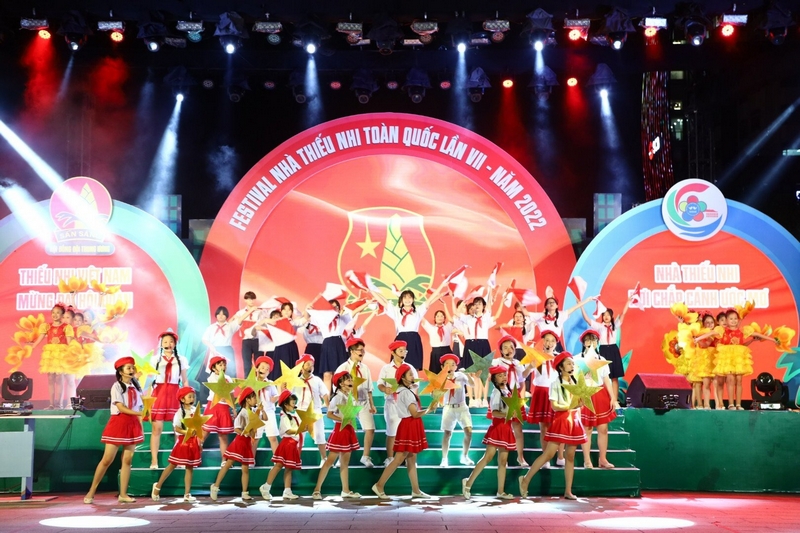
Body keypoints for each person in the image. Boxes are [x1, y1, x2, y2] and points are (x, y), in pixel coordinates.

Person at [519, 352, 587, 500]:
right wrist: (570, 406)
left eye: (572, 363)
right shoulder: (555, 383)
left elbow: (580, 402)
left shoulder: (576, 382)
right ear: (560, 367)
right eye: (568, 363)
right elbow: (554, 406)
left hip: (574, 420)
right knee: (548, 454)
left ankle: (568, 491)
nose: (572, 366)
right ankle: (525, 479)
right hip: (561, 420)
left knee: (570, 456)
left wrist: (580, 403)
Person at [84, 356, 143, 504]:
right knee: (107, 459)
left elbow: (140, 406)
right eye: (128, 368)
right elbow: (121, 407)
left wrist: (140, 422)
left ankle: (123, 494)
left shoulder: (136, 387)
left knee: (127, 459)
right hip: (118, 423)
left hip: (133, 423)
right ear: (121, 372)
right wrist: (138, 413)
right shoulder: (116, 386)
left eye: (133, 367)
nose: (132, 370)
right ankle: (91, 492)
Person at [371, 363, 433, 499]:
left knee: (411, 458)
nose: (413, 377)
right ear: (403, 378)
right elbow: (414, 414)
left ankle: (416, 490)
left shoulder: (404, 391)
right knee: (399, 458)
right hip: (409, 425)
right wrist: (430, 409)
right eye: (410, 375)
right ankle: (379, 485)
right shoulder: (405, 393)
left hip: (410, 425)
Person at [462, 365, 515, 499]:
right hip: (498, 428)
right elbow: (495, 413)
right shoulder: (497, 392)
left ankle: (501, 491)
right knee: (488, 457)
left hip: (507, 428)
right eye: (500, 376)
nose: (503, 377)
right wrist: (508, 414)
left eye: (504, 375)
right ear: (494, 379)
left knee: (503, 461)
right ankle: (468, 483)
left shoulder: (508, 391)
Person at [312, 371, 362, 499]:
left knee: (345, 462)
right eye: (348, 380)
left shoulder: (350, 396)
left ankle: (346, 490)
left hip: (348, 430)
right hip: (340, 430)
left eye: (351, 380)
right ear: (340, 383)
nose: (351, 382)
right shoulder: (337, 398)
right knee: (329, 461)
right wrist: (343, 419)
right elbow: (329, 414)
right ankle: (317, 490)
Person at [372, 286, 445, 370]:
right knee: (398, 366)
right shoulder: (396, 311)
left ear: (413, 299)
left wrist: (442, 286)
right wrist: (370, 290)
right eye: (405, 298)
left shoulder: (418, 311)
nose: (407, 300)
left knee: (414, 367)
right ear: (401, 300)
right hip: (401, 339)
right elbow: (383, 302)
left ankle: (415, 379)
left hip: (414, 340)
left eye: (410, 297)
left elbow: (430, 300)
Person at [152, 386, 203, 502]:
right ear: (182, 399)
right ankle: (157, 486)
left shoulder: (195, 411)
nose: (192, 399)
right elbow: (177, 428)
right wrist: (188, 432)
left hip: (193, 442)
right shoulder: (179, 413)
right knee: (172, 465)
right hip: (182, 442)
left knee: (190, 468)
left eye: (193, 396)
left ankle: (187, 494)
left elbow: (199, 428)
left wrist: (200, 443)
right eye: (189, 396)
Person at [575, 330, 617, 469]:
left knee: (603, 429)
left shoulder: (601, 359)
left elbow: (606, 379)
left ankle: (603, 459)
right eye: (588, 340)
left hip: (600, 394)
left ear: (597, 343)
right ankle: (587, 460)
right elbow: (573, 379)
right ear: (583, 343)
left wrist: (612, 398)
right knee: (587, 428)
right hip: (585, 394)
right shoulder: (577, 359)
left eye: (593, 340)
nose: (591, 343)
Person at [490, 335, 533, 467]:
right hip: (502, 396)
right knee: (504, 427)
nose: (509, 350)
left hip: (515, 396)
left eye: (511, 347)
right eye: (505, 347)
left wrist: (530, 368)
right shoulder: (497, 362)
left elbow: (521, 378)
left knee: (518, 429)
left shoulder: (518, 363)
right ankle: (503, 458)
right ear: (501, 350)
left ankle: (520, 457)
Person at [149, 331, 188, 469]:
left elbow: (184, 379)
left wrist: (187, 395)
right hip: (159, 393)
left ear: (175, 344)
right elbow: (148, 377)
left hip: (175, 392)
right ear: (161, 344)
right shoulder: (155, 359)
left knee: (178, 429)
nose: (168, 344)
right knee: (157, 428)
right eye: (165, 341)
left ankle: (179, 460)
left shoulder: (181, 359)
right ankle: (154, 461)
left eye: (171, 341)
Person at [581, 296, 632, 403]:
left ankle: (615, 401)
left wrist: (628, 301)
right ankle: (606, 400)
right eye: (604, 315)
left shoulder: (615, 326)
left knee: (614, 377)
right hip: (603, 351)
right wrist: (581, 305)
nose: (606, 317)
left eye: (608, 315)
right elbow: (587, 319)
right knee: (605, 376)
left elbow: (623, 313)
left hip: (613, 351)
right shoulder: (599, 327)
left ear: (612, 316)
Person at [210, 387, 258, 502]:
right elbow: (236, 428)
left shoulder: (252, 413)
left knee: (245, 468)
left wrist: (252, 431)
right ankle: (215, 486)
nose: (256, 400)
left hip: (246, 443)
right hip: (239, 442)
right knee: (228, 464)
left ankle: (245, 492)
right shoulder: (242, 413)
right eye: (254, 398)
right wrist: (245, 432)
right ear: (247, 399)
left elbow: (255, 428)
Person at [335, 337, 376, 467]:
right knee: (345, 431)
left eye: (363, 350)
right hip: (348, 403)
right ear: (351, 351)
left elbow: (369, 388)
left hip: (363, 402)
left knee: (370, 429)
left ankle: (365, 457)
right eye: (359, 350)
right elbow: (336, 388)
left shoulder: (365, 368)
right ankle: (341, 458)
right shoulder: (343, 367)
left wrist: (372, 404)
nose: (362, 352)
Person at [377, 340, 419, 466]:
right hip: (392, 404)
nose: (403, 353)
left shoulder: (410, 368)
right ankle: (390, 458)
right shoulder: (386, 368)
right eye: (400, 351)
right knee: (392, 432)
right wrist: (385, 389)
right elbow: (380, 384)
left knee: (408, 433)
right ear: (393, 353)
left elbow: (416, 384)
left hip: (406, 405)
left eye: (405, 351)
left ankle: (409, 459)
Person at [526, 330, 565, 467]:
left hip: (556, 392)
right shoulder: (535, 356)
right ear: (543, 341)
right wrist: (530, 366)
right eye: (547, 340)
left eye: (552, 341)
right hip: (541, 393)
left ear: (556, 343)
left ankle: (560, 456)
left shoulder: (560, 358)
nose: (549, 343)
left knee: (559, 426)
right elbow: (523, 375)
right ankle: (545, 458)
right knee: (544, 427)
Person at [260, 391, 302, 500]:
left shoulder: (292, 415)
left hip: (292, 444)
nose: (294, 405)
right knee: (278, 465)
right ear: (286, 405)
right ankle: (266, 487)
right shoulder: (284, 417)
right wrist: (301, 429)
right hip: (287, 444)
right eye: (293, 403)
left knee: (289, 468)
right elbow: (288, 430)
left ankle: (287, 491)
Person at [32, 303, 73, 410]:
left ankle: (58, 404)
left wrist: (73, 352)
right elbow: (40, 338)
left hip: (61, 354)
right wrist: (32, 346)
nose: (55, 315)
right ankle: (51, 404)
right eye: (53, 312)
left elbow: (69, 342)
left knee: (59, 378)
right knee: (50, 379)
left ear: (62, 315)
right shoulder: (47, 326)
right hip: (50, 354)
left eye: (58, 313)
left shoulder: (66, 327)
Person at [291, 353, 329, 465]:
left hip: (315, 411)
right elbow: (289, 396)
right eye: (307, 364)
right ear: (301, 367)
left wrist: (328, 405)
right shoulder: (295, 381)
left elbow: (325, 393)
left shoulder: (317, 380)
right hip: (300, 412)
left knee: (320, 435)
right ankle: (296, 459)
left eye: (312, 365)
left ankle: (324, 458)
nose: (310, 367)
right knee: (298, 437)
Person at [438, 353, 474, 467]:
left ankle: (465, 456)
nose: (450, 366)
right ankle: (444, 459)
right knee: (447, 433)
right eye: (447, 364)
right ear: (442, 367)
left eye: (453, 364)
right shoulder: (440, 378)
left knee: (469, 431)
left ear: (456, 366)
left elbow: (472, 384)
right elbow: (434, 393)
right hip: (448, 407)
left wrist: (467, 374)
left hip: (462, 407)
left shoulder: (461, 376)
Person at [530, 295, 595, 352]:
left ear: (557, 305)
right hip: (544, 344)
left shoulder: (561, 315)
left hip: (557, 345)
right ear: (546, 306)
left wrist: (587, 300)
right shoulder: (540, 316)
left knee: (561, 360)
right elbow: (526, 313)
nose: (551, 303)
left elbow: (575, 308)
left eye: (553, 302)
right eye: (549, 302)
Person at [201, 356, 235, 461]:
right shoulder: (212, 378)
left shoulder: (228, 378)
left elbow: (231, 395)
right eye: (220, 365)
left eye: (224, 364)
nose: (223, 366)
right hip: (213, 407)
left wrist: (234, 409)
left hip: (224, 408)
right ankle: (194, 458)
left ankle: (224, 461)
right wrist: (224, 397)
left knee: (223, 436)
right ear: (213, 368)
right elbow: (219, 392)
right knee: (204, 434)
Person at [201, 306, 237, 383]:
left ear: (226, 316)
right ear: (216, 315)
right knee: (214, 371)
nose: (220, 316)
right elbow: (204, 339)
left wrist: (250, 310)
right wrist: (211, 346)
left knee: (229, 371)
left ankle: (229, 389)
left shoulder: (230, 326)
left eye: (223, 314)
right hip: (215, 350)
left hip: (227, 350)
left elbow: (240, 320)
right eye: (219, 314)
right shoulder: (211, 327)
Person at [231, 291, 262, 379]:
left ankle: (260, 382)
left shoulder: (259, 312)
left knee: (259, 364)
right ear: (245, 300)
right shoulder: (240, 313)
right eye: (249, 299)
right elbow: (232, 322)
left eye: (253, 299)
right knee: (247, 364)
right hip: (246, 341)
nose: (251, 301)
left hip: (258, 340)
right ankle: (247, 384)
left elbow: (262, 325)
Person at [253, 356, 280, 454]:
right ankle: (251, 459)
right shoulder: (252, 382)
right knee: (255, 438)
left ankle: (277, 459)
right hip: (256, 413)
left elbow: (276, 395)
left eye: (267, 369)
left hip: (269, 412)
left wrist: (275, 398)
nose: (264, 370)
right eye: (263, 367)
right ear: (257, 368)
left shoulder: (270, 383)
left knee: (273, 437)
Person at [422, 309, 455, 374]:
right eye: (437, 316)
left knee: (448, 372)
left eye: (442, 316)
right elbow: (421, 317)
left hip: (447, 351)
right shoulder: (431, 328)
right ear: (434, 318)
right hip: (435, 352)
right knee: (435, 372)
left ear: (444, 318)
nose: (440, 318)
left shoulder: (448, 327)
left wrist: (445, 305)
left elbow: (454, 318)